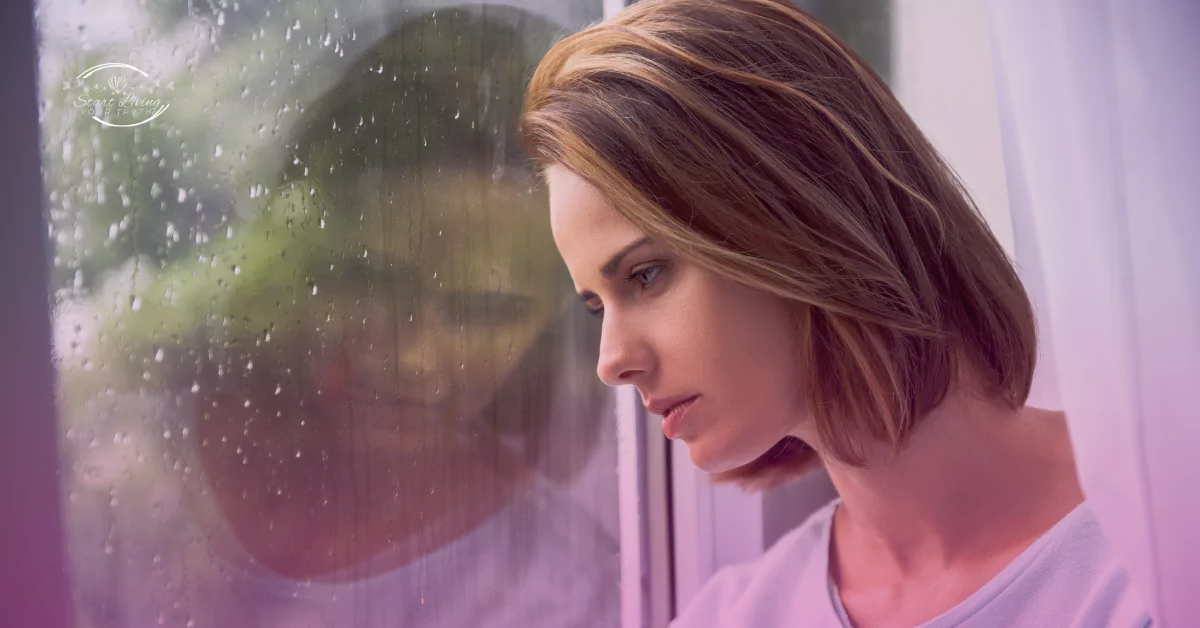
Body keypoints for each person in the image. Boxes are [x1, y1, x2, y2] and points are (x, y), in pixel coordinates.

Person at [520, 0, 1153, 627]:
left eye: (645, 274)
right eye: (595, 307)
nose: (610, 363)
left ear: (792, 214)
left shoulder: (1162, 529)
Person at [61, 7, 620, 628]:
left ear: (556, 319)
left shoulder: (567, 597)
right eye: (369, 281)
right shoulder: (109, 478)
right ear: (297, 261)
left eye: (484, 313)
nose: (411, 358)